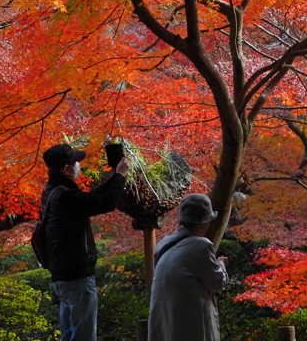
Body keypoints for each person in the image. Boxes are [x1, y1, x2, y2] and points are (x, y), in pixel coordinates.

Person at [40, 143, 129, 341]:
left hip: (63, 275)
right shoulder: (67, 196)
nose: (78, 165)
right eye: (75, 162)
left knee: (70, 333)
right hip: (78, 277)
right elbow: (106, 203)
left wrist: (115, 176)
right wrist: (121, 176)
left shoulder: (52, 192)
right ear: (66, 169)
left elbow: (92, 198)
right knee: (83, 335)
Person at [148, 193, 229, 341]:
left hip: (165, 324)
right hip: (191, 327)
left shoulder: (163, 245)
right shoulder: (201, 246)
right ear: (204, 222)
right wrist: (221, 263)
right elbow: (217, 283)